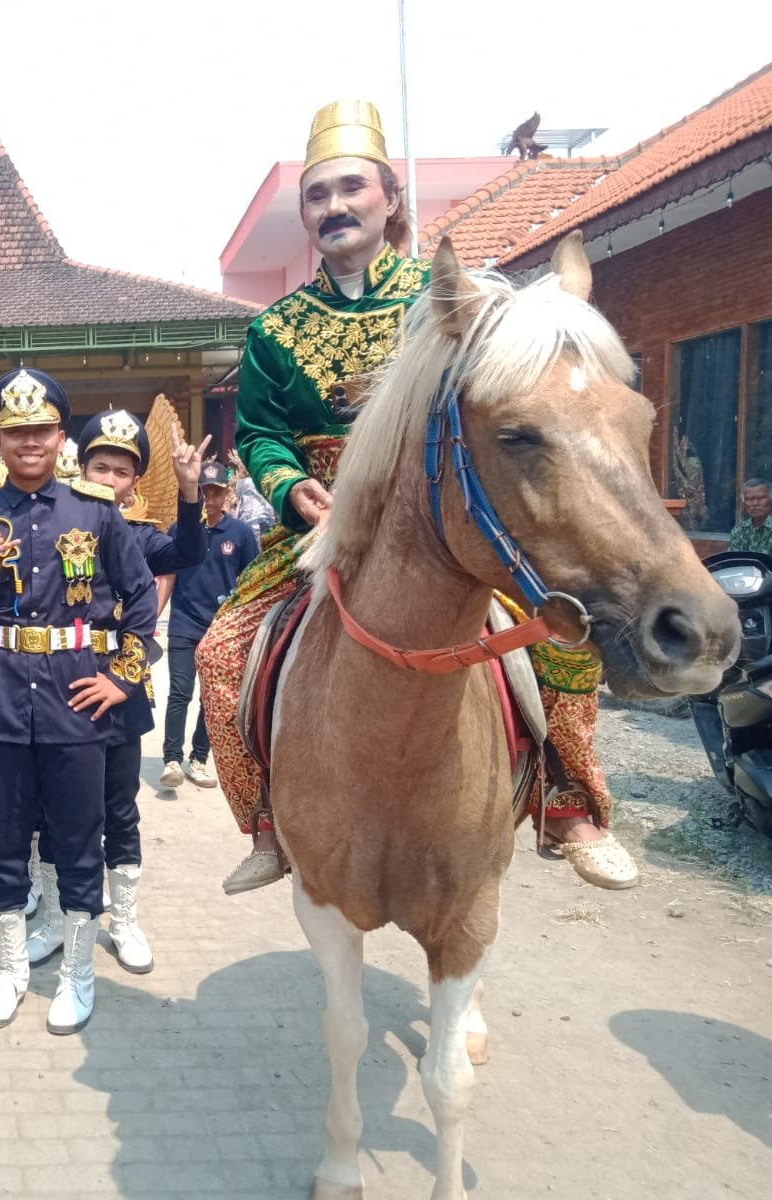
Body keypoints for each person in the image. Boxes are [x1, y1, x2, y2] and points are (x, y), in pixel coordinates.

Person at [194, 99, 637, 894]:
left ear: (390, 199)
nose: (334, 206)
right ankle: (267, 821)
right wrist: (292, 487)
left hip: (437, 516)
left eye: (351, 188)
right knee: (219, 653)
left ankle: (568, 805)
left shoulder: (445, 301)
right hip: (318, 524)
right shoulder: (273, 329)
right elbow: (258, 434)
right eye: (317, 194)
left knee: (561, 634)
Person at [0, 368, 156, 1035]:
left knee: (80, 842)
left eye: (41, 430)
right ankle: (11, 967)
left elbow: (141, 599)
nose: (29, 442)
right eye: (16, 432)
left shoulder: (97, 510)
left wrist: (123, 678)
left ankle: (78, 973)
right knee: (0, 842)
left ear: (59, 437)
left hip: (77, 698)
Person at [26, 408, 210, 976]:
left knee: (118, 806)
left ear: (135, 482)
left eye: (121, 472)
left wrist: (188, 492)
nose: (108, 480)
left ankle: (124, 918)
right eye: (98, 466)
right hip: (62, 681)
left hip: (122, 681)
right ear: (76, 466)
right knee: (56, 807)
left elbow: (187, 553)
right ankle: (57, 917)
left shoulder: (140, 534)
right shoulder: (51, 522)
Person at [161, 460, 259, 791]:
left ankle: (199, 758)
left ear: (227, 493)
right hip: (183, 624)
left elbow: (250, 580)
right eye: (205, 492)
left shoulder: (241, 534)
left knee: (211, 698)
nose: (210, 499)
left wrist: (246, 623)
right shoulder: (181, 530)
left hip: (221, 630)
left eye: (216, 492)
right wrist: (152, 615)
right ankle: (172, 759)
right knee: (179, 692)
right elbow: (168, 576)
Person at [729, 478, 772, 553]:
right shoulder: (739, 531)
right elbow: (735, 561)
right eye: (750, 499)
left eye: (761, 498)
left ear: (770, 499)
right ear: (744, 502)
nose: (755, 503)